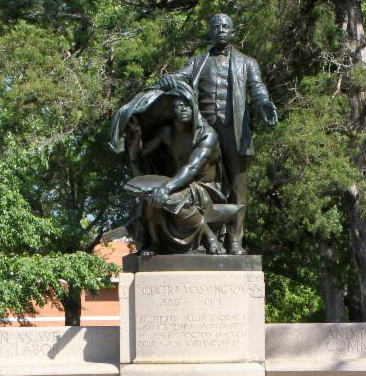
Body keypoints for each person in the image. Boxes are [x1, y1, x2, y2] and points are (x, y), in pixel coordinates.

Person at [158, 13, 277, 254]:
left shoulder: (247, 62)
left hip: (235, 130)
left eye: (225, 26)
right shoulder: (198, 62)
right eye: (216, 26)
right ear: (210, 32)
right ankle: (203, 237)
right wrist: (169, 78)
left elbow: (257, 87)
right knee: (200, 182)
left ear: (232, 31)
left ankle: (234, 240)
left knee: (236, 185)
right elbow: (180, 77)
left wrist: (264, 103)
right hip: (204, 130)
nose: (221, 29)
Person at [108, 81, 230, 255]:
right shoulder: (167, 132)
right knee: (149, 197)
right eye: (179, 105)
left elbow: (192, 167)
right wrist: (135, 134)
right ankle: (155, 243)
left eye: (188, 105)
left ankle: (209, 237)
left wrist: (166, 188)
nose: (184, 109)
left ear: (194, 108)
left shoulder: (207, 135)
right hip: (179, 183)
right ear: (171, 109)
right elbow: (139, 155)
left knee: (170, 197)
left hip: (205, 188)